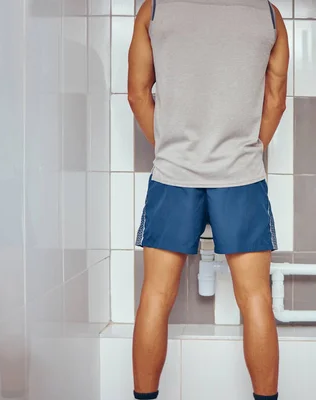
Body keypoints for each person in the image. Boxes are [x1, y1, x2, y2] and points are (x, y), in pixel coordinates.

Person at [127, 0, 289, 399]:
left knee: (155, 295)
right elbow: (276, 99)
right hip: (242, 177)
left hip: (173, 175)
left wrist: (172, 150)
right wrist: (245, 153)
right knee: (255, 298)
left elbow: (136, 94)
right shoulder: (267, 14)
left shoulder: (155, 8)